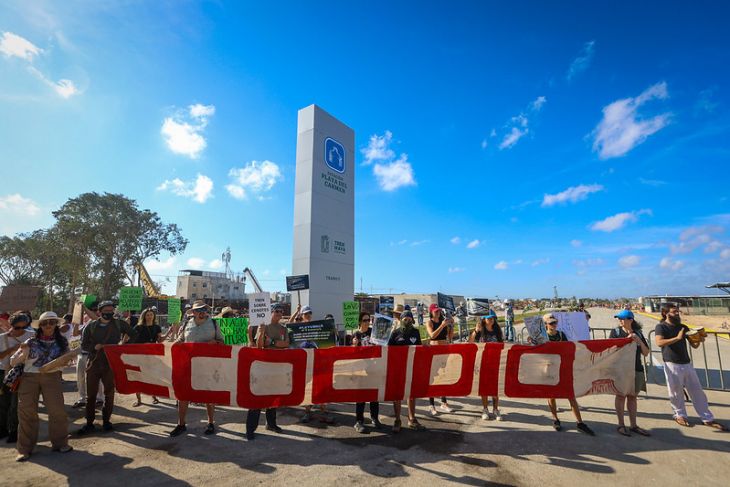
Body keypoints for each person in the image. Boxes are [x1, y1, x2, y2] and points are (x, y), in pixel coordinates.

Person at [10, 312, 73, 461]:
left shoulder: (63, 342)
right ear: (40, 326)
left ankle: (60, 443)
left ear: (56, 324)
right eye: (45, 323)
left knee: (57, 411)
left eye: (51, 322)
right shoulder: (30, 342)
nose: (48, 325)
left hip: (52, 377)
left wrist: (68, 359)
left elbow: (68, 361)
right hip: (29, 377)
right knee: (26, 412)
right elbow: (13, 362)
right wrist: (24, 352)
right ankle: (24, 449)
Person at [654, 303, 726, 430]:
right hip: (672, 363)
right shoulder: (661, 327)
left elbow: (694, 345)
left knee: (697, 391)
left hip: (686, 363)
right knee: (676, 392)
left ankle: (707, 418)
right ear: (665, 313)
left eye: (677, 311)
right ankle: (679, 415)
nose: (677, 313)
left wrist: (699, 339)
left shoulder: (683, 327)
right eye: (674, 312)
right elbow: (659, 342)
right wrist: (677, 338)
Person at [77, 301, 137, 435]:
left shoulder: (118, 324)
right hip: (94, 363)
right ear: (99, 311)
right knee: (91, 395)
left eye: (112, 310)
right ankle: (89, 423)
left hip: (110, 364)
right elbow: (84, 345)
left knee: (109, 393)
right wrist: (94, 347)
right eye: (107, 310)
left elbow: (133, 334)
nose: (110, 313)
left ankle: (106, 421)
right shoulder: (91, 326)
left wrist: (123, 347)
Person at [169, 301, 224, 437]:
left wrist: (215, 342)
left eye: (204, 309)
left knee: (208, 395)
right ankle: (181, 424)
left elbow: (222, 342)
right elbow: (180, 340)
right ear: (193, 312)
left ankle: (210, 423)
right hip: (188, 365)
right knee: (183, 395)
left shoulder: (213, 324)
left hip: (207, 365)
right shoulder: (187, 324)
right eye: (199, 309)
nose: (202, 311)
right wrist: (172, 346)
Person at [543, 313, 595, 435]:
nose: (554, 325)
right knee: (551, 396)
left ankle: (580, 422)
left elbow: (568, 349)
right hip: (549, 369)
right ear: (546, 324)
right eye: (551, 323)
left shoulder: (561, 335)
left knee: (570, 395)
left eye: (555, 322)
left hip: (563, 368)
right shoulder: (542, 337)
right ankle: (555, 419)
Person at [245, 303, 289, 440]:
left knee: (273, 397)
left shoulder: (283, 329)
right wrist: (263, 333)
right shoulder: (263, 325)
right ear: (271, 312)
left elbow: (286, 344)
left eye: (281, 311)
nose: (279, 313)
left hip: (277, 367)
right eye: (277, 311)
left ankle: (271, 424)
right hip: (262, 366)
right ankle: (250, 429)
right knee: (257, 397)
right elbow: (259, 346)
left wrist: (271, 342)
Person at [610, 310, 650, 436]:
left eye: (623, 318)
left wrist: (638, 340)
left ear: (630, 320)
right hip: (621, 370)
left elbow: (646, 352)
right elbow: (611, 351)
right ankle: (621, 424)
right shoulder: (615, 332)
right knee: (621, 396)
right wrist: (624, 342)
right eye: (619, 319)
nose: (620, 321)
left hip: (636, 369)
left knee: (632, 397)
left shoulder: (638, 333)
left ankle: (633, 425)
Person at [0, 313, 35, 443]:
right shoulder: (2, 338)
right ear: (11, 325)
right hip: (4, 373)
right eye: (17, 327)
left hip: (21, 373)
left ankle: (13, 431)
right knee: (3, 403)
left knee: (15, 404)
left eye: (23, 327)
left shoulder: (31, 335)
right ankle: (2, 429)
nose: (20, 330)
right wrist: (11, 349)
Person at [389, 310, 424, 432]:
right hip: (398, 369)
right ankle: (397, 420)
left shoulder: (416, 332)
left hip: (412, 368)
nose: (408, 321)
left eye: (410, 319)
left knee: (412, 395)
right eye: (405, 319)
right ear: (401, 320)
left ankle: (412, 419)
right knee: (397, 395)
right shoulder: (395, 333)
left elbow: (419, 350)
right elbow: (388, 351)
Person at [127, 307, 170, 406]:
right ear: (144, 316)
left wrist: (169, 332)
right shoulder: (138, 327)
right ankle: (138, 400)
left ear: (154, 316)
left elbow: (159, 340)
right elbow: (130, 338)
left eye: (151, 314)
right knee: (139, 376)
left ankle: (154, 397)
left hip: (152, 356)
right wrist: (127, 326)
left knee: (153, 376)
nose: (150, 316)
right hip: (140, 356)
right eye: (147, 315)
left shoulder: (157, 327)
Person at [469, 312, 504, 421]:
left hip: (495, 363)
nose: (491, 320)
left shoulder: (497, 331)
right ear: (484, 320)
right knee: (484, 387)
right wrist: (475, 331)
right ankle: (485, 409)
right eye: (488, 318)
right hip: (483, 362)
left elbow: (502, 345)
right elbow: (470, 342)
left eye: (492, 318)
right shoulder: (480, 331)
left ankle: (496, 409)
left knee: (495, 388)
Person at [352, 311, 381, 433]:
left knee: (374, 395)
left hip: (373, 367)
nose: (367, 322)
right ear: (359, 321)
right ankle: (359, 421)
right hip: (361, 368)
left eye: (368, 320)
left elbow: (380, 345)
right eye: (364, 320)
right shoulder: (356, 334)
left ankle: (374, 417)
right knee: (361, 396)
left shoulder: (373, 332)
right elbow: (352, 354)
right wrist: (354, 345)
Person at [72, 301, 104, 409]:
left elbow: (95, 318)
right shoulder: (86, 324)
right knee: (80, 377)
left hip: (94, 355)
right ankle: (82, 398)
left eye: (96, 310)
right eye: (93, 310)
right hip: (82, 353)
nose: (95, 312)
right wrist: (76, 319)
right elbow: (75, 333)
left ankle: (99, 398)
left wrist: (84, 307)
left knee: (96, 378)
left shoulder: (101, 322)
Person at [426, 304, 454, 415]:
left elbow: (450, 337)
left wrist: (451, 325)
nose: (438, 313)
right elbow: (432, 335)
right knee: (432, 377)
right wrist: (442, 326)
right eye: (435, 311)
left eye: (439, 311)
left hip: (444, 351)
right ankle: (431, 404)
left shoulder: (444, 322)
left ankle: (444, 402)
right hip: (433, 352)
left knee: (443, 376)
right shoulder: (429, 322)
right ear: (431, 312)